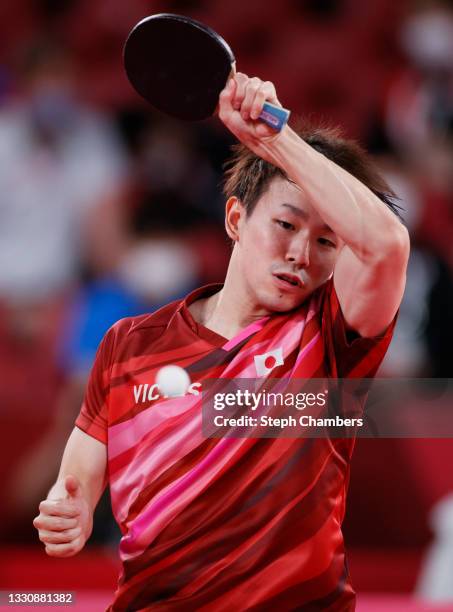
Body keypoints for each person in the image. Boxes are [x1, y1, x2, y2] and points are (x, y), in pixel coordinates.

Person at [33, 74, 410, 611]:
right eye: (286, 224)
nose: (302, 254)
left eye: (327, 241)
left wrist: (276, 138)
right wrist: (65, 510)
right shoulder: (129, 344)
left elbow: (387, 245)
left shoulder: (330, 339)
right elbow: (77, 481)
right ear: (236, 218)